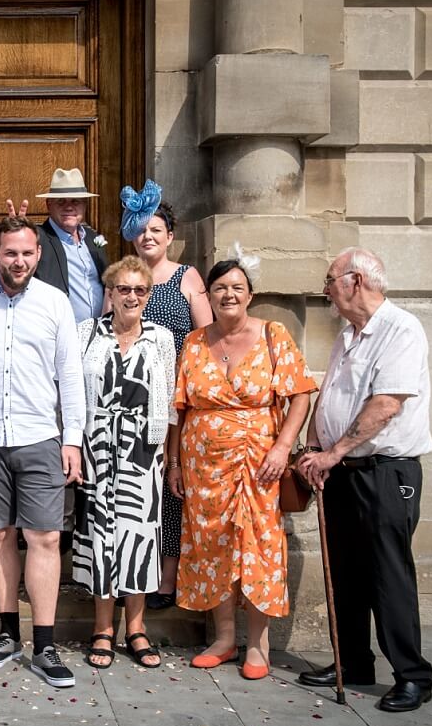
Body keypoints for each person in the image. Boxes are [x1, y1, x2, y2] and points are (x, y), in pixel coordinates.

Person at [0, 216, 85, 689]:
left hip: (41, 434)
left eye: (26, 253)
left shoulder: (55, 303)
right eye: (10, 252)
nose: (18, 260)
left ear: (38, 255)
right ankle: (7, 635)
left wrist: (72, 438)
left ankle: (45, 644)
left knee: (44, 538)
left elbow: (70, 375)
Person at [296, 248, 432, 713]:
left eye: (330, 280)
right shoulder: (347, 335)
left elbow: (386, 403)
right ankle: (352, 661)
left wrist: (333, 452)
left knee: (386, 573)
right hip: (341, 472)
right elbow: (330, 392)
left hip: (384, 472)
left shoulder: (400, 329)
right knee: (346, 572)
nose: (325, 290)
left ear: (355, 281)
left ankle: (412, 675)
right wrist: (315, 448)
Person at [168, 248, 316, 680]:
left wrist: (282, 447)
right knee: (212, 545)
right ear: (208, 296)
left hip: (258, 463)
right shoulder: (196, 341)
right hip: (203, 466)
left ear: (250, 294)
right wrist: (174, 463)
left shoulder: (274, 334)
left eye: (236, 288)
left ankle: (260, 645)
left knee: (257, 546)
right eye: (219, 289)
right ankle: (224, 638)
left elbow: (300, 393)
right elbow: (181, 408)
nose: (228, 295)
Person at [72, 256, 176, 670]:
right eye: (124, 289)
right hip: (96, 445)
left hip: (143, 449)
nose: (132, 296)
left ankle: (136, 628)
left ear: (148, 295)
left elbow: (168, 402)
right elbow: (73, 392)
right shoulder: (86, 333)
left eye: (141, 290)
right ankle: (102, 628)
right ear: (109, 294)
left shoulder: (161, 338)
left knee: (139, 536)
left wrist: (169, 452)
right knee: (101, 535)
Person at [119, 180, 212, 611]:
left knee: (171, 487)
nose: (149, 236)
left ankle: (166, 578)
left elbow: (206, 336)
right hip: (132, 397)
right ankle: (129, 572)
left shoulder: (187, 276)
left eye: (157, 229)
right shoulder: (124, 276)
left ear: (170, 236)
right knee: (133, 487)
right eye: (141, 229)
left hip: (176, 395)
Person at [30, 167, 108, 324]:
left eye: (75, 201)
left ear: (85, 205)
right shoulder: (37, 238)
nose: (69, 207)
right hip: (59, 333)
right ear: (48, 205)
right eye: (61, 201)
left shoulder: (92, 237)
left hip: (99, 334)